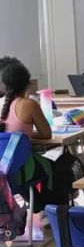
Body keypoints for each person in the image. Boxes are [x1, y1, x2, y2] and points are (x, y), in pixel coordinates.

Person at [0, 60, 60, 210]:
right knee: (56, 167)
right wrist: (23, 136)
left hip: (3, 172)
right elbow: (46, 133)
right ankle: (51, 213)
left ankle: (37, 205)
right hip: (21, 171)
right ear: (27, 83)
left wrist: (20, 135)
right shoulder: (29, 104)